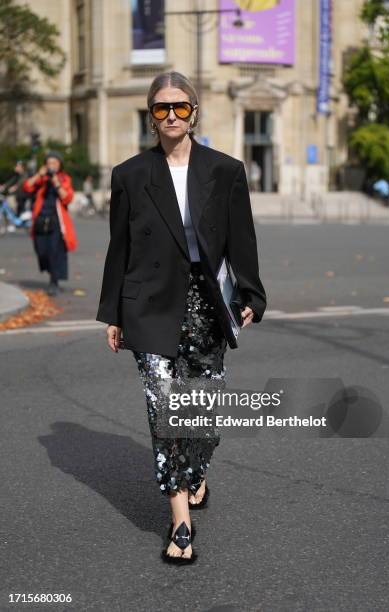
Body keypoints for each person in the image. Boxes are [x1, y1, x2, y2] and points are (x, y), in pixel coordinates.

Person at [96, 70, 267, 564]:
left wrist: (251, 294)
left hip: (206, 302)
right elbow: (119, 247)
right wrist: (113, 312)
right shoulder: (129, 175)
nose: (171, 116)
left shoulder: (226, 170)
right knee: (165, 411)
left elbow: (242, 239)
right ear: (150, 116)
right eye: (161, 108)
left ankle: (198, 469)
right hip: (148, 302)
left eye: (181, 107)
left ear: (195, 111)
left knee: (203, 414)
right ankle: (180, 523)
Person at [23, 151, 78, 296]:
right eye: (49, 163)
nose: (51, 165)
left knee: (54, 251)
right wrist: (39, 175)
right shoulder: (41, 179)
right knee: (42, 252)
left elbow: (68, 198)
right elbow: (27, 186)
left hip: (56, 222)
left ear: (60, 165)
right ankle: (51, 272)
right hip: (40, 220)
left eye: (54, 163)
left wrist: (56, 182)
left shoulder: (64, 179)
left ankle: (54, 282)